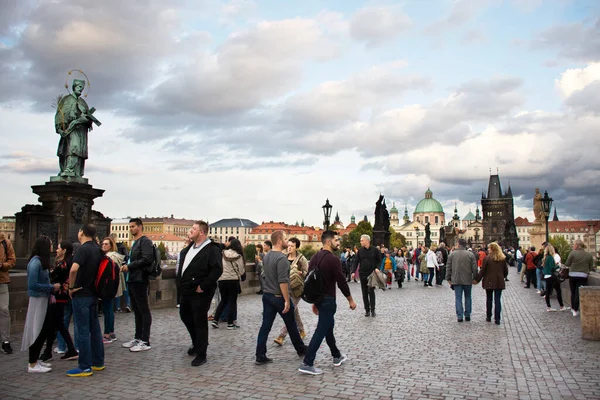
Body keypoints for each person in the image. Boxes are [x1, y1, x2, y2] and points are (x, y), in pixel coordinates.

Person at [298, 231, 357, 375]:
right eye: (336, 240)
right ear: (328, 242)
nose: (339, 243)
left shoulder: (314, 258)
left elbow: (311, 282)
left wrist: (314, 301)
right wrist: (350, 299)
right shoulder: (333, 259)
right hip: (328, 300)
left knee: (328, 328)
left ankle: (336, 356)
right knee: (321, 329)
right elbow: (342, 282)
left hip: (319, 299)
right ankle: (307, 362)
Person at [255, 231, 306, 365]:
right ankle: (300, 349)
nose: (286, 241)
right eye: (285, 239)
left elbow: (266, 276)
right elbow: (283, 282)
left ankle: (260, 354)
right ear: (279, 241)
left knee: (265, 326)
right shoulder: (282, 258)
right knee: (291, 324)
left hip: (267, 295)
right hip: (278, 297)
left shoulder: (266, 257)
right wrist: (287, 301)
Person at [178, 221, 223, 366]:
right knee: (185, 315)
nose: (190, 231)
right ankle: (197, 342)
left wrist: (203, 286)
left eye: (194, 229)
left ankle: (202, 352)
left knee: (200, 321)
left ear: (202, 232)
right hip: (186, 289)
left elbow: (217, 269)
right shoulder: (191, 247)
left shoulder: (211, 248)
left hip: (200, 291)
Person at [67, 224, 105, 377]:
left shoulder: (83, 249)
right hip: (93, 294)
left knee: (82, 331)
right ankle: (98, 362)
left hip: (81, 294)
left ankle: (84, 366)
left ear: (82, 232)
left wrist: (71, 287)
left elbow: (74, 269)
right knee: (95, 330)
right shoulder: (97, 248)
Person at [21, 237, 61, 373]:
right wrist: (51, 287)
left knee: (43, 330)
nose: (52, 246)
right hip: (38, 300)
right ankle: (32, 364)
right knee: (37, 330)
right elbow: (32, 285)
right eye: (50, 244)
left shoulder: (39, 262)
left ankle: (35, 361)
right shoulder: (35, 263)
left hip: (43, 299)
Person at [39, 241, 78, 362]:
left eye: (59, 248)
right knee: (56, 323)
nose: (56, 250)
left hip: (58, 296)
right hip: (64, 295)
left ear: (64, 250)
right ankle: (52, 351)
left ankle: (67, 349)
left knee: (57, 323)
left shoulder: (63, 263)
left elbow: (52, 277)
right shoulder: (70, 261)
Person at [121, 218, 154, 352]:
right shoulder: (135, 243)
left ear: (140, 227)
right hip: (133, 279)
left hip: (140, 279)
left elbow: (147, 259)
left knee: (143, 309)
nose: (131, 229)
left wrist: (130, 266)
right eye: (130, 226)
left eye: (133, 226)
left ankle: (145, 340)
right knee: (137, 310)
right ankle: (138, 337)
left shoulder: (145, 241)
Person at [274, 237, 309, 345]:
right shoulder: (283, 257)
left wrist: (299, 273)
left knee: (290, 312)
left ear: (296, 247)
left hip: (297, 290)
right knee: (295, 311)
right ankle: (302, 330)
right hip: (285, 289)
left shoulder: (301, 259)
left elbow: (306, 273)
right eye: (288, 245)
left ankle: (281, 336)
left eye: (292, 246)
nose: (289, 248)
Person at [212, 238, 245, 330]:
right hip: (233, 280)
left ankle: (215, 320)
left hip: (222, 279)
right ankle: (230, 324)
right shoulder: (238, 256)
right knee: (232, 302)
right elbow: (241, 271)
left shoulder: (223, 253)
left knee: (223, 300)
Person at [473, 242, 508, 324]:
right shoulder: (502, 259)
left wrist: (476, 280)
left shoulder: (487, 259)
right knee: (497, 300)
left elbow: (482, 271)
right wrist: (502, 277)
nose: (488, 250)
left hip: (489, 281)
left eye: (489, 248)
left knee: (489, 299)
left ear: (492, 249)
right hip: (499, 282)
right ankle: (497, 319)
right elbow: (505, 271)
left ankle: (489, 316)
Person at [446, 239, 477, 322]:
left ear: (458, 244)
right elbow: (474, 268)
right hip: (467, 279)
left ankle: (459, 316)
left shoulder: (452, 255)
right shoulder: (470, 255)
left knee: (458, 297)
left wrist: (448, 278)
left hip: (456, 279)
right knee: (468, 297)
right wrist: (475, 278)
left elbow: (448, 267)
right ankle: (467, 315)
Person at [100, 237, 125, 343]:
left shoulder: (111, 257)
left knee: (107, 310)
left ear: (111, 246)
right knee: (109, 309)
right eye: (103, 244)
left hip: (108, 286)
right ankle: (111, 332)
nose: (104, 246)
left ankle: (107, 334)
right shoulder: (115, 256)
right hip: (112, 285)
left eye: (106, 244)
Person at [351, 235, 381, 317]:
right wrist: (353, 272)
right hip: (362, 274)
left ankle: (373, 310)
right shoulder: (360, 251)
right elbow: (355, 262)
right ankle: (367, 310)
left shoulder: (375, 250)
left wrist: (377, 268)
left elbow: (379, 260)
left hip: (372, 274)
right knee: (364, 292)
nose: (360, 242)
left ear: (367, 241)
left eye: (362, 240)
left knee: (371, 291)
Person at [565, 240, 595, 317]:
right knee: (578, 293)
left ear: (577, 246)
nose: (573, 246)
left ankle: (573, 309)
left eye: (574, 245)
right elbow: (591, 267)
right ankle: (575, 309)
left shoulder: (572, 253)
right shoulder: (589, 255)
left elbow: (567, 264)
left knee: (573, 292)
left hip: (572, 275)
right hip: (583, 276)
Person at [0, 232, 16, 354]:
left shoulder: (5, 242)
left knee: (4, 310)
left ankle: (5, 341)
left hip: (2, 281)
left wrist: (2, 265)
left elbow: (12, 260)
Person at [542, 244, 568, 312]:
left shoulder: (545, 257)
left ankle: (548, 307)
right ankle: (561, 306)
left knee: (547, 292)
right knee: (558, 291)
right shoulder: (550, 257)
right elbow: (552, 268)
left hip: (546, 276)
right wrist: (558, 265)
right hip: (551, 276)